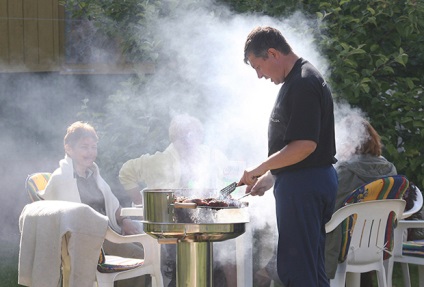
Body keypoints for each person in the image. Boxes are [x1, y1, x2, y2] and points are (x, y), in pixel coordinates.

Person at [238, 26, 338, 287]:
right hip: (306, 181)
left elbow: (305, 146)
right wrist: (271, 176)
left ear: (272, 53)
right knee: (312, 270)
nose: (259, 76)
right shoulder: (298, 79)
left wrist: (258, 168)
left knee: (298, 271)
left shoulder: (303, 82)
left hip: (305, 187)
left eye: (258, 66)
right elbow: (296, 149)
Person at [119, 113, 234, 287]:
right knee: (188, 258)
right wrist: (141, 204)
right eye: (183, 137)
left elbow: (231, 179)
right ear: (174, 139)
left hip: (210, 220)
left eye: (193, 135)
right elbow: (126, 172)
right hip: (174, 225)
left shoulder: (211, 155)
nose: (189, 142)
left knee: (230, 251)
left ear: (200, 136)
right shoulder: (161, 160)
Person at [40, 121, 147, 287]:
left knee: (152, 244)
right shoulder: (61, 179)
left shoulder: (94, 175)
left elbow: (113, 206)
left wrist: (124, 221)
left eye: (93, 147)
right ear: (69, 149)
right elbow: (57, 220)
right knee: (142, 256)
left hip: (109, 234)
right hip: (89, 243)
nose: (90, 152)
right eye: (84, 147)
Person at [325, 116, 397, 286]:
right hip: (377, 247)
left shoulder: (344, 172)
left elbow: (327, 211)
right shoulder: (390, 170)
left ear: (353, 142)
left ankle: (264, 275)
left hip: (342, 248)